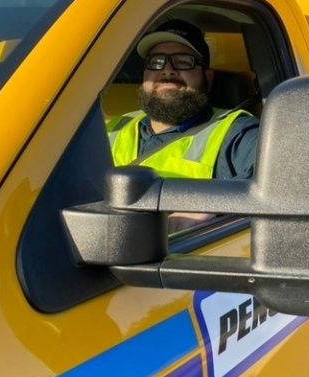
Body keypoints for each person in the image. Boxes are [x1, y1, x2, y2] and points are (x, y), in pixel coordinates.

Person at [107, 19, 259, 229]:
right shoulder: (111, 128)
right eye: (156, 62)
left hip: (184, 257)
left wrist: (211, 207)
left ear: (207, 77)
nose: (167, 71)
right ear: (144, 76)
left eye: (183, 61)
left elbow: (281, 184)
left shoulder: (238, 134)